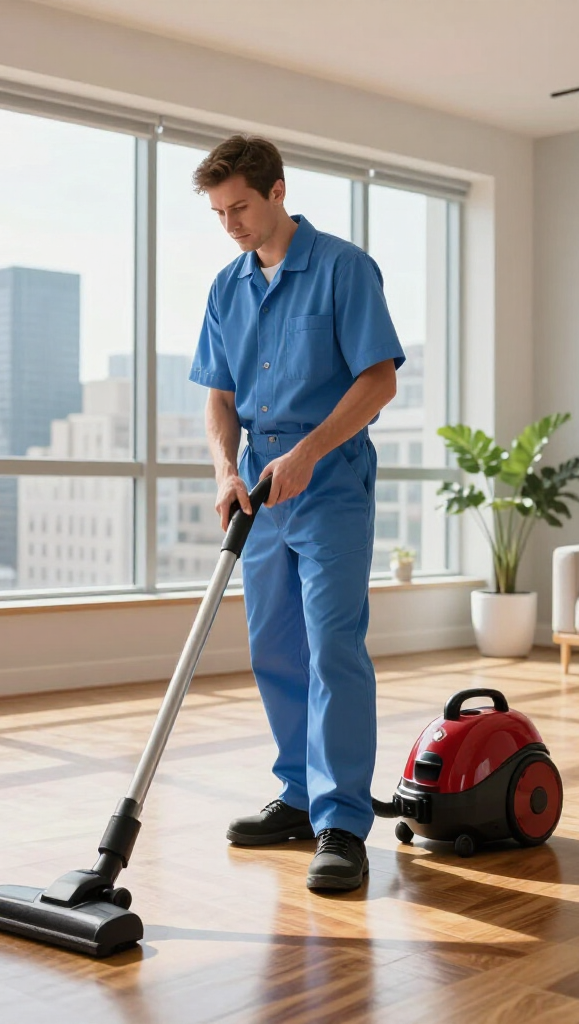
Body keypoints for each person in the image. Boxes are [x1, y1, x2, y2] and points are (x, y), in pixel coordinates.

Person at [189, 135, 405, 891]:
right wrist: (225, 467)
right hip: (257, 486)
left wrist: (310, 451)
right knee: (275, 648)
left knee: (332, 648)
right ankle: (298, 795)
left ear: (278, 192)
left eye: (241, 206)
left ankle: (342, 821)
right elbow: (218, 395)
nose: (232, 224)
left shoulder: (344, 268)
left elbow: (378, 383)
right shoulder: (226, 287)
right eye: (219, 213)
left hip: (330, 478)